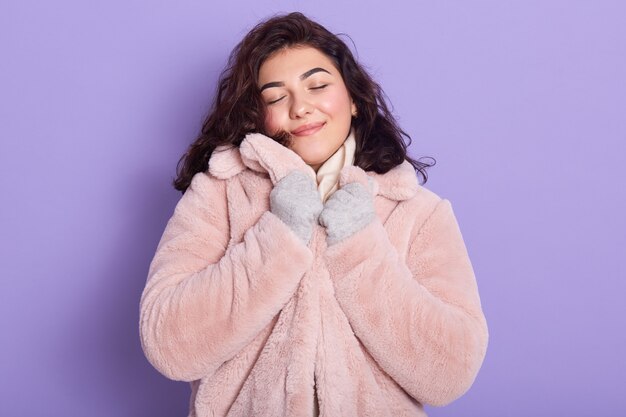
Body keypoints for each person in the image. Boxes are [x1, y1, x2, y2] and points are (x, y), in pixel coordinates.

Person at [139, 11, 488, 417]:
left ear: (355, 100)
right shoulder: (217, 194)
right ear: (258, 115)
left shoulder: (418, 211)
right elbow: (168, 345)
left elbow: (452, 373)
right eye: (275, 96)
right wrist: (280, 233)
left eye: (318, 85)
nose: (300, 107)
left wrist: (359, 244)